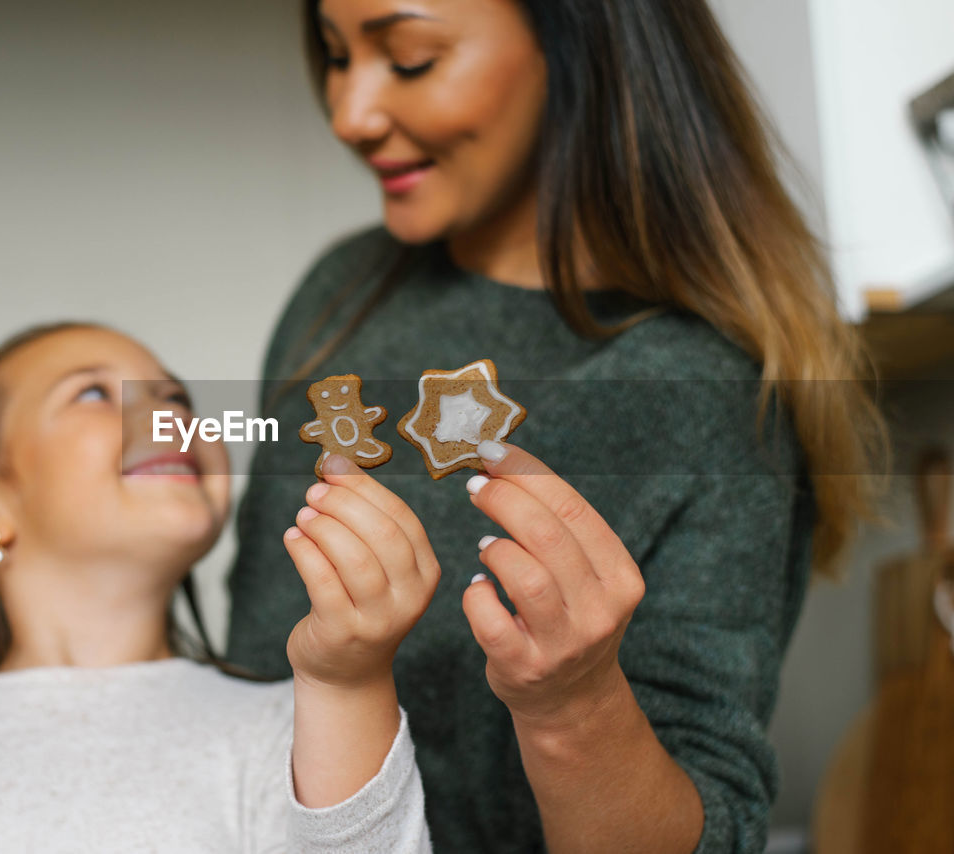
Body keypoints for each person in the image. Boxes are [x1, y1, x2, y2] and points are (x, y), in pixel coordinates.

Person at [226, 1, 886, 852]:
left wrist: (574, 706)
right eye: (334, 55)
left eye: (412, 58)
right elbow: (247, 678)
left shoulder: (706, 394)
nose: (351, 114)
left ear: (580, 43)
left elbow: (710, 828)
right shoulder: (341, 292)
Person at [0, 322, 436, 853]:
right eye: (93, 394)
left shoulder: (297, 732)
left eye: (178, 399)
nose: (169, 416)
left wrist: (351, 683)